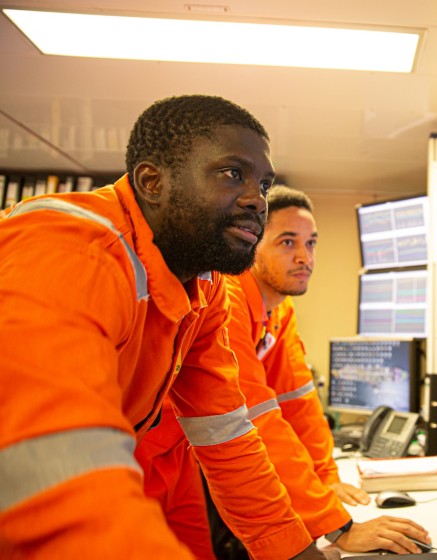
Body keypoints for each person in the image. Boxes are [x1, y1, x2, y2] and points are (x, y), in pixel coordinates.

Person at [0, 94, 336, 560]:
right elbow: (54, 470)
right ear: (152, 181)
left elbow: (225, 432)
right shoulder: (71, 252)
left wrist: (296, 551)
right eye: (232, 173)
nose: (255, 200)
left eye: (263, 184)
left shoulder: (205, 285)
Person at [136, 186, 431, 558]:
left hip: (185, 455)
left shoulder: (280, 309)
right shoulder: (227, 300)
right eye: (287, 242)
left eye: (311, 244)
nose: (304, 257)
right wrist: (337, 525)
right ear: (253, 244)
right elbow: (256, 416)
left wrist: (327, 481)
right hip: (144, 454)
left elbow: (298, 401)